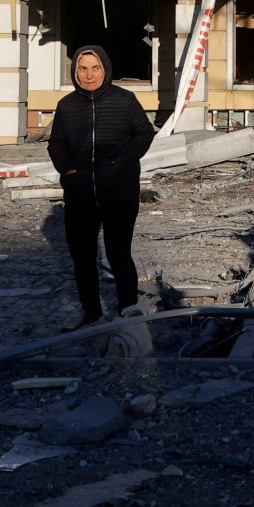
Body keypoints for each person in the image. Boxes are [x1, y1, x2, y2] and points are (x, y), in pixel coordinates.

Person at [46, 46, 156, 329]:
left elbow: (144, 132)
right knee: (83, 258)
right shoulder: (67, 106)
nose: (89, 75)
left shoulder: (124, 100)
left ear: (105, 69)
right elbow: (56, 143)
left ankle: (127, 313)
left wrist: (121, 161)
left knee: (119, 255)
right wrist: (67, 169)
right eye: (83, 68)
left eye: (95, 68)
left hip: (119, 192)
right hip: (79, 194)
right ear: (75, 72)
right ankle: (91, 313)